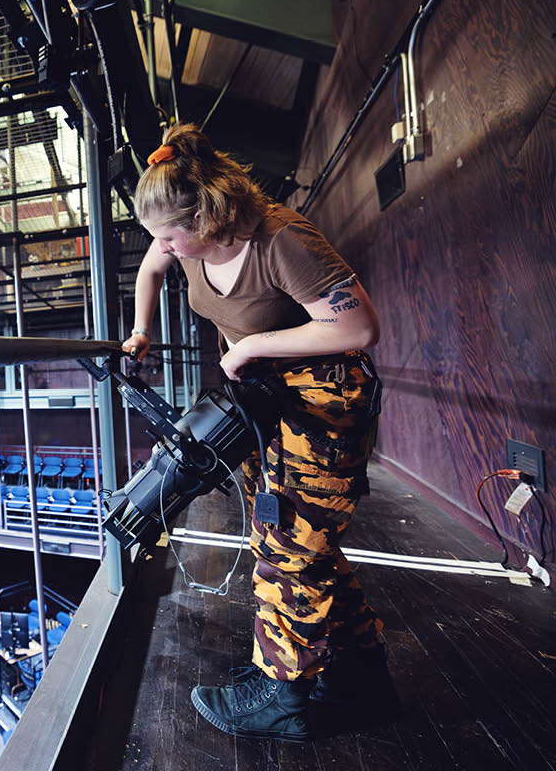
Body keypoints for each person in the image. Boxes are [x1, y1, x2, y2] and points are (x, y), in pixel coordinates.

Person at [121, 124, 397, 742]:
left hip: (322, 405)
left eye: (170, 236)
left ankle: (284, 695)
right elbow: (151, 269)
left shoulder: (281, 238)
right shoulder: (183, 235)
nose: (162, 247)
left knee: (290, 546)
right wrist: (140, 329)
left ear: (206, 219)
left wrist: (253, 343)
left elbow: (359, 328)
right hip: (265, 400)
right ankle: (360, 678)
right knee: (300, 540)